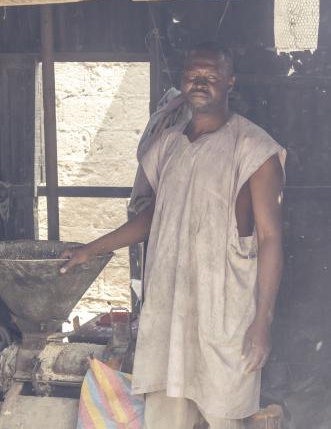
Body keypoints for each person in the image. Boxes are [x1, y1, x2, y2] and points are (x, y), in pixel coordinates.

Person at [61, 42, 286, 429]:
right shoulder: (167, 145)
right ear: (181, 81)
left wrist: (262, 321)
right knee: (167, 417)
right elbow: (151, 217)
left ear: (230, 82)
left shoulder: (254, 148)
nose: (201, 83)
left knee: (225, 414)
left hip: (225, 313)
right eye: (193, 75)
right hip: (169, 309)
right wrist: (90, 250)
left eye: (211, 76)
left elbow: (270, 239)